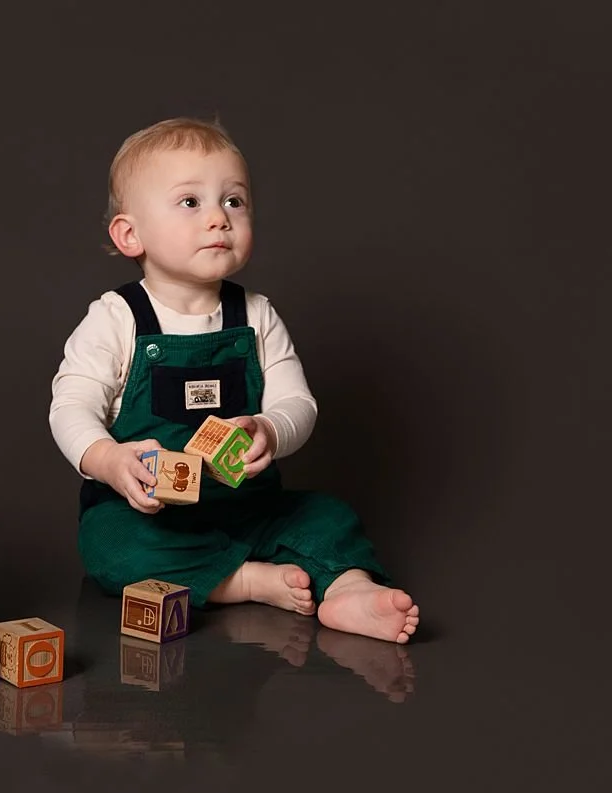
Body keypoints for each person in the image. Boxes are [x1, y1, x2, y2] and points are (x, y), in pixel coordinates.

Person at [48, 117, 418, 643]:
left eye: (234, 202)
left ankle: (348, 589)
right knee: (113, 546)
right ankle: (242, 579)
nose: (219, 219)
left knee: (328, 516)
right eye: (190, 202)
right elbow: (70, 408)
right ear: (130, 234)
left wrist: (271, 428)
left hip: (248, 507)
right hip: (150, 515)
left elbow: (298, 402)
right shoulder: (116, 319)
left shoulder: (256, 314)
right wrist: (109, 460)